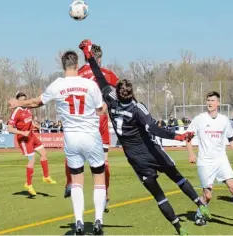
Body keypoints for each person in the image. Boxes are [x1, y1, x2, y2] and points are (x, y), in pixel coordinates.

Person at [79, 39, 210, 235]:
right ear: (131, 93)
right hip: (151, 151)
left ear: (117, 92)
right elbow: (155, 130)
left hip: (136, 158)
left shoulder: (110, 98)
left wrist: (88, 55)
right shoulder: (137, 108)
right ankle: (200, 204)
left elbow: (99, 77)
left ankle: (179, 228)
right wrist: (179, 136)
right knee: (178, 178)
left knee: (159, 196)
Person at [8, 51, 108, 235]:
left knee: (77, 180)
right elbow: (101, 109)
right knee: (99, 177)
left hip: (71, 137)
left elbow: (37, 102)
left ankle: (78, 221)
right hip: (91, 136)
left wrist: (17, 103)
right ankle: (98, 221)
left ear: (63, 66)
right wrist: (104, 108)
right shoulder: (90, 84)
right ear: (77, 65)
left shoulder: (58, 85)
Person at [185, 92, 233, 232]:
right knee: (208, 195)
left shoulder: (224, 120)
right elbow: (188, 136)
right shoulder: (199, 119)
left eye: (212, 100)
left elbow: (231, 139)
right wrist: (191, 153)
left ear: (218, 103)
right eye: (208, 100)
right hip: (205, 162)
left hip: (221, 160)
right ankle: (199, 215)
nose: (209, 103)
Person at [64, 44, 119, 214]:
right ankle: (106, 196)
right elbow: (121, 88)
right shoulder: (105, 73)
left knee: (73, 155)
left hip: (79, 120)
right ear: (99, 58)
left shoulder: (77, 73)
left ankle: (70, 183)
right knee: (104, 162)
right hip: (99, 120)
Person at [7, 92, 56, 196]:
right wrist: (22, 132)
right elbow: (9, 128)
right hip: (24, 138)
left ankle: (46, 176)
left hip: (31, 136)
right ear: (17, 101)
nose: (24, 102)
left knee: (43, 153)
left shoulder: (27, 109)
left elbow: (29, 121)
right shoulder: (16, 112)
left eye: (25, 99)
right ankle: (28, 184)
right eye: (21, 100)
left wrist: (35, 125)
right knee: (32, 160)